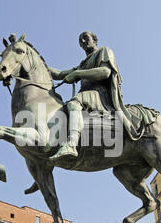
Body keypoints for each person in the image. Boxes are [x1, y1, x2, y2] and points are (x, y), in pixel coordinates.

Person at [49, 31, 145, 161]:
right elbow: (60, 74)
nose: (83, 41)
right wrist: (34, 63)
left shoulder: (103, 51)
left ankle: (71, 144)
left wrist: (78, 74)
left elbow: (105, 72)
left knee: (73, 104)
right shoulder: (83, 64)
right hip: (87, 95)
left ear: (94, 39)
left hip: (100, 94)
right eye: (80, 40)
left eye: (85, 38)